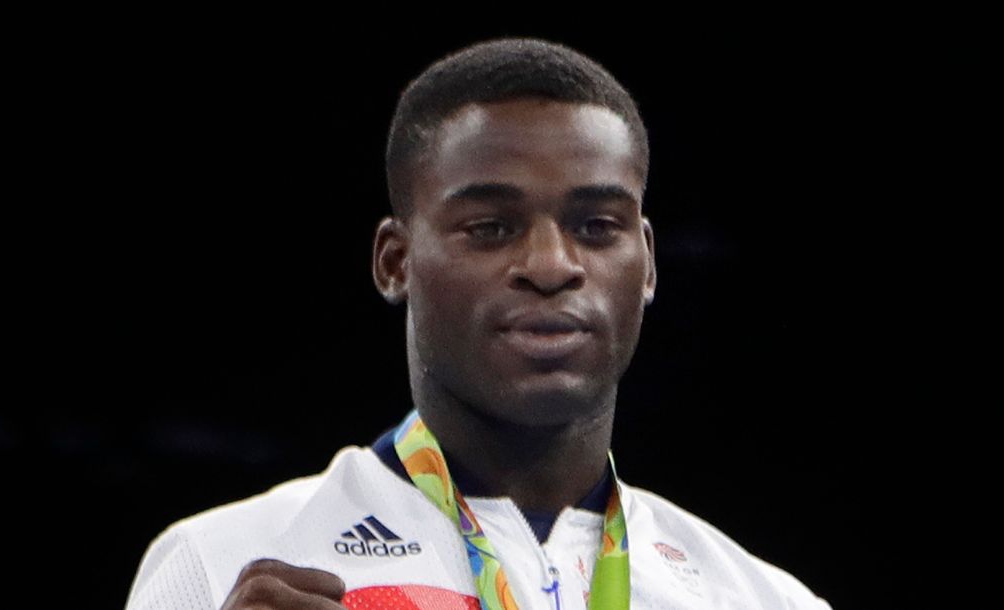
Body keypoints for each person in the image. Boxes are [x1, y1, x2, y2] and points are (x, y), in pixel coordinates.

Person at [126, 37, 831, 610]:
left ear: (645, 263)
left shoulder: (762, 599)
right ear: (395, 262)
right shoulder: (222, 562)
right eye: (491, 227)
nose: (552, 264)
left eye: (596, 226)